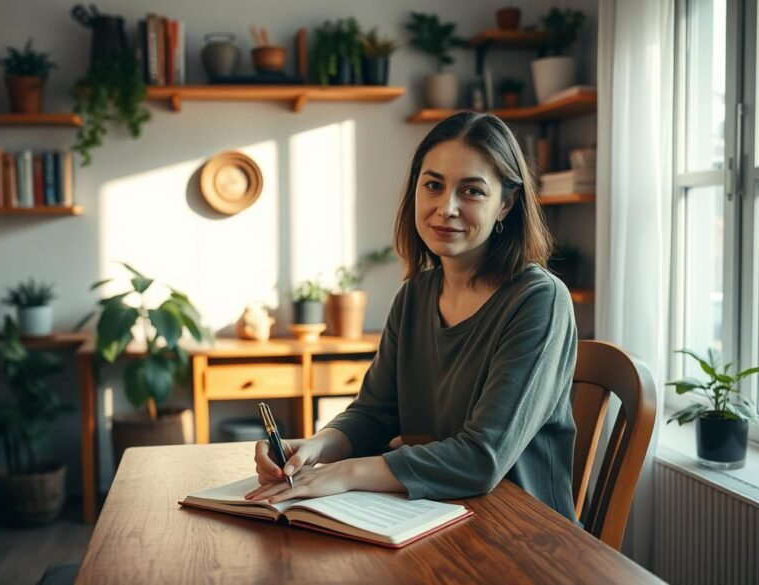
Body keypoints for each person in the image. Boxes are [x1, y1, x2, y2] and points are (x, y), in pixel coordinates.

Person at [245, 112, 579, 521]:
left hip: (524, 533)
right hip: (433, 515)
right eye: (433, 185)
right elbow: (374, 413)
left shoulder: (539, 300)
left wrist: (347, 472)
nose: (446, 208)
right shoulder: (415, 296)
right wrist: (316, 447)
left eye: (472, 191)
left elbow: (482, 458)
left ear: (505, 204)